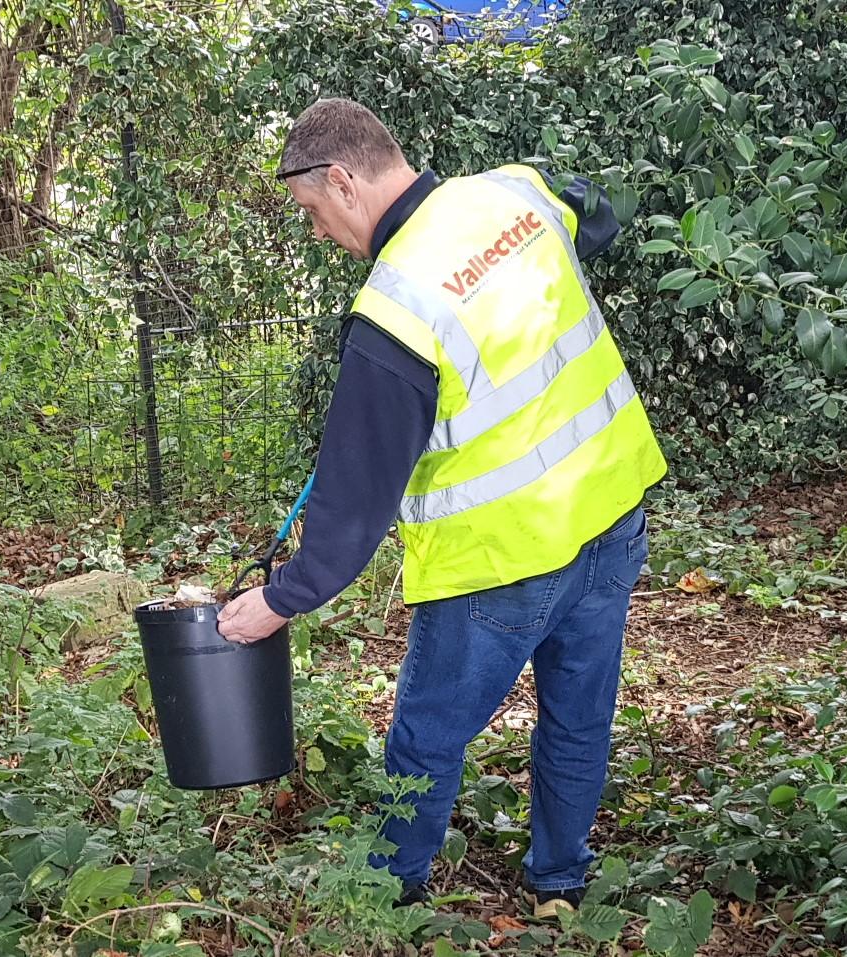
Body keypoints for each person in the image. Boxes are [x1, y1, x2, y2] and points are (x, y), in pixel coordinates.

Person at [217, 98, 667, 917]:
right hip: (610, 515)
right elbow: (597, 213)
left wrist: (280, 600)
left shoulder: (394, 310)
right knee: (577, 719)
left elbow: (354, 502)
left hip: (501, 562)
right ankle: (561, 878)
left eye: (313, 213)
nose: (318, 233)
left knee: (426, 736)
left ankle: (386, 896)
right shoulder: (516, 193)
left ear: (345, 182)